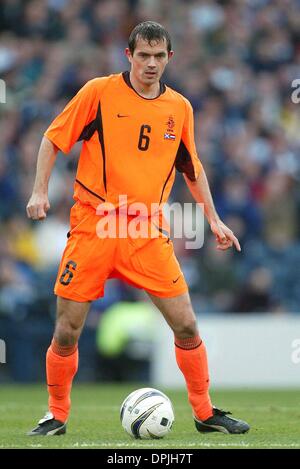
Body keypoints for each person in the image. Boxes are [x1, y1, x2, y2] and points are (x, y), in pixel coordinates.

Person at [26, 21, 249, 436]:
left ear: (169, 58)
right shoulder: (98, 92)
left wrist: (214, 219)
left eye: (158, 56)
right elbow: (52, 139)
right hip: (95, 225)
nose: (150, 63)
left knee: (186, 325)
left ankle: (204, 412)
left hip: (147, 231)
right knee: (66, 329)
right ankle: (56, 413)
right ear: (128, 56)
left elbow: (192, 168)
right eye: (143, 55)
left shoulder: (179, 108)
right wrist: (39, 191)